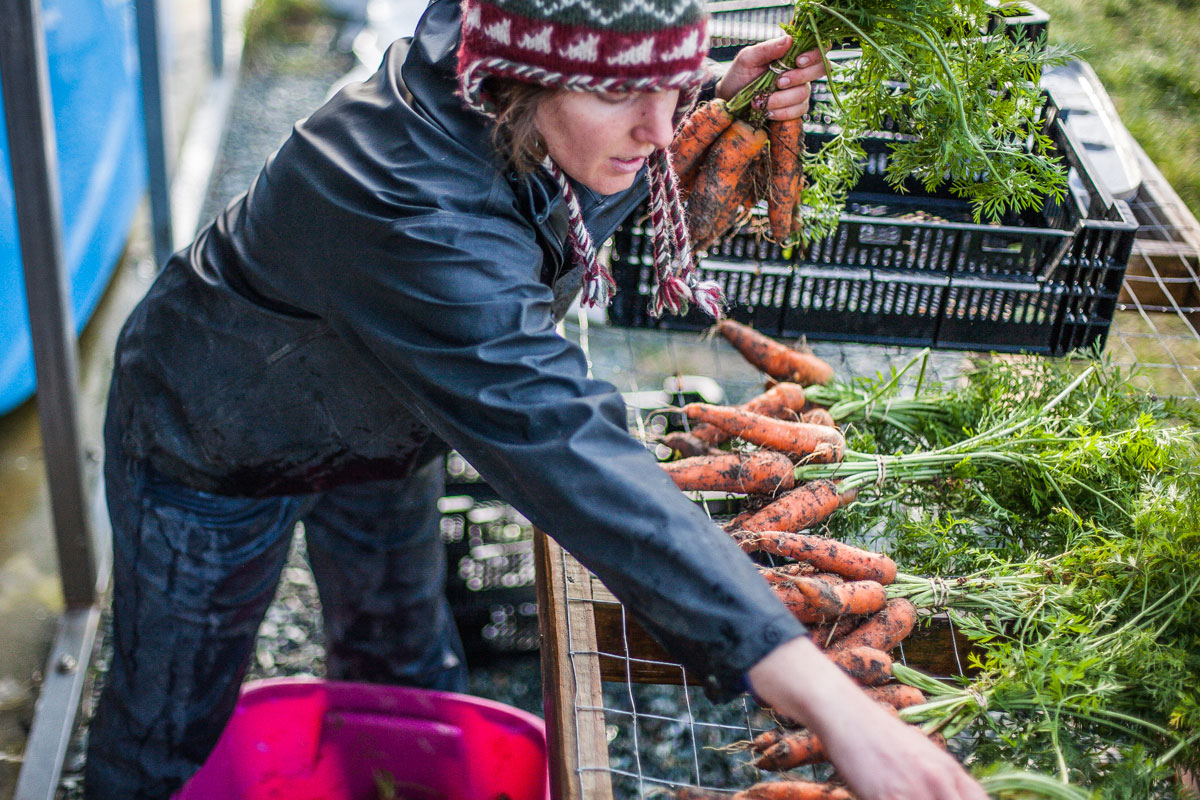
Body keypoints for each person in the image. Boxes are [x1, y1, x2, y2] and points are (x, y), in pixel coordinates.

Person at [84, 0, 989, 798]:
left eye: (670, 86)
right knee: (171, 716)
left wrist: (725, 86)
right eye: (621, 96)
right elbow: (562, 439)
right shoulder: (406, 201)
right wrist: (825, 696)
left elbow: (619, 96)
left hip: (387, 417)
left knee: (402, 650)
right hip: (218, 433)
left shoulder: (540, 87)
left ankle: (397, 768)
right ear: (515, 84)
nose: (655, 127)